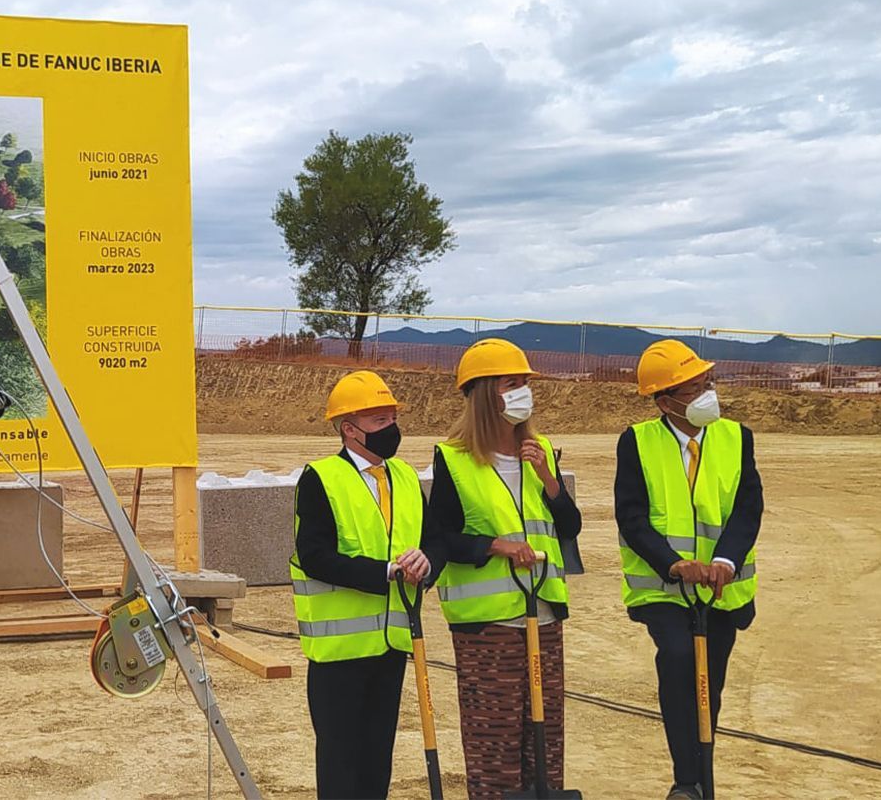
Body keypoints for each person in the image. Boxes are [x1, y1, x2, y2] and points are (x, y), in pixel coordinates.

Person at [423, 339, 581, 800]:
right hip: (486, 625)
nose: (523, 392)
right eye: (513, 383)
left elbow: (569, 525)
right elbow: (444, 538)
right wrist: (497, 546)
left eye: (526, 383)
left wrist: (549, 480)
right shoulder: (453, 458)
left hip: (544, 612)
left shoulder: (541, 449)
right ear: (485, 393)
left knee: (545, 731)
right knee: (493, 734)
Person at [615, 339, 763, 800]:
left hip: (722, 589)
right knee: (679, 659)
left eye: (707, 383)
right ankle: (687, 780)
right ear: (665, 402)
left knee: (709, 684)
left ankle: (701, 777)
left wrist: (724, 561)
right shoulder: (637, 442)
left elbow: (748, 507)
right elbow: (632, 517)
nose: (706, 394)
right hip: (663, 589)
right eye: (693, 388)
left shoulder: (737, 437)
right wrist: (674, 564)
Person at [290, 369, 435, 800]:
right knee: (340, 761)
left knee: (377, 759)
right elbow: (314, 556)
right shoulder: (320, 479)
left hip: (392, 644)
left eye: (392, 419)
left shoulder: (406, 477)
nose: (391, 429)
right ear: (349, 430)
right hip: (339, 653)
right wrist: (383, 572)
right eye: (379, 422)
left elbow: (430, 542)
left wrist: (426, 563)